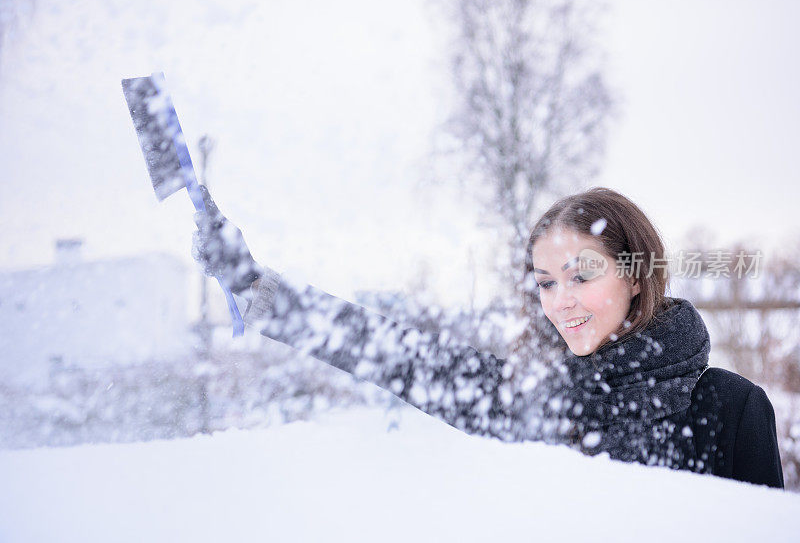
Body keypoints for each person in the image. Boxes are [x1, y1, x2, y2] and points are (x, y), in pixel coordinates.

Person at [192, 185, 784, 489]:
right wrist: (256, 287)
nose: (563, 302)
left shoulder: (731, 410)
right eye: (547, 283)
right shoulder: (529, 399)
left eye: (583, 275)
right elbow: (401, 356)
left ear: (634, 273)